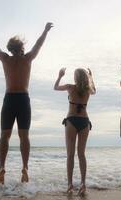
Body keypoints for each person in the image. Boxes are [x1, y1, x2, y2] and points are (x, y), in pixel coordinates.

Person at [0, 22, 53, 184]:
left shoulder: (5, 59)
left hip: (9, 99)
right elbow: (38, 44)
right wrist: (45, 30)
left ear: (10, 48)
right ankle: (25, 167)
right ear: (21, 47)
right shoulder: (28, 59)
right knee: (24, 136)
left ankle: (1, 167)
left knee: (4, 135)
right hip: (23, 100)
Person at [54, 67, 96, 195]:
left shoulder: (70, 87)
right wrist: (91, 77)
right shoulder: (89, 90)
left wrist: (60, 75)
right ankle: (83, 184)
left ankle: (70, 185)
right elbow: (94, 90)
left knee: (70, 155)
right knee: (81, 154)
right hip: (84, 121)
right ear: (85, 78)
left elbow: (55, 87)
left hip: (71, 120)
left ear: (75, 78)